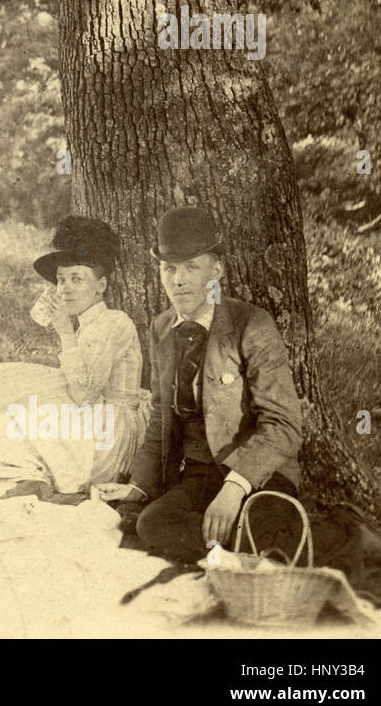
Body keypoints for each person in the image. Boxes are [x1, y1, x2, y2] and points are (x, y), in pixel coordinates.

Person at [93, 207, 304, 564]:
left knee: (262, 521)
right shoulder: (161, 329)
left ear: (216, 270)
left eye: (192, 267)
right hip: (199, 477)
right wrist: (140, 485)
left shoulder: (250, 325)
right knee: (152, 524)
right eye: (169, 268)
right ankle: (240, 556)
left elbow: (284, 424)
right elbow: (161, 416)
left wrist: (235, 488)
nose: (179, 280)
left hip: (258, 475)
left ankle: (252, 544)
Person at [0, 216, 150, 494]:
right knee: (4, 408)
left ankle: (25, 480)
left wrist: (65, 333)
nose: (66, 288)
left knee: (17, 427)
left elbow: (84, 394)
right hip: (88, 416)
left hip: (107, 434)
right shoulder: (87, 324)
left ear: (100, 286)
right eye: (61, 280)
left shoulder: (115, 322)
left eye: (77, 279)